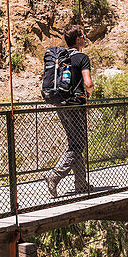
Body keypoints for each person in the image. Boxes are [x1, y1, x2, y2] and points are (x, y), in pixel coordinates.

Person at [45, 25, 93, 198]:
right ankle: (54, 176)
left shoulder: (61, 57)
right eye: (83, 35)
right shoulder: (82, 57)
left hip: (60, 104)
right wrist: (89, 95)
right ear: (78, 39)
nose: (86, 38)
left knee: (75, 142)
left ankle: (81, 183)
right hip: (75, 105)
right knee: (79, 144)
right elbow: (88, 83)